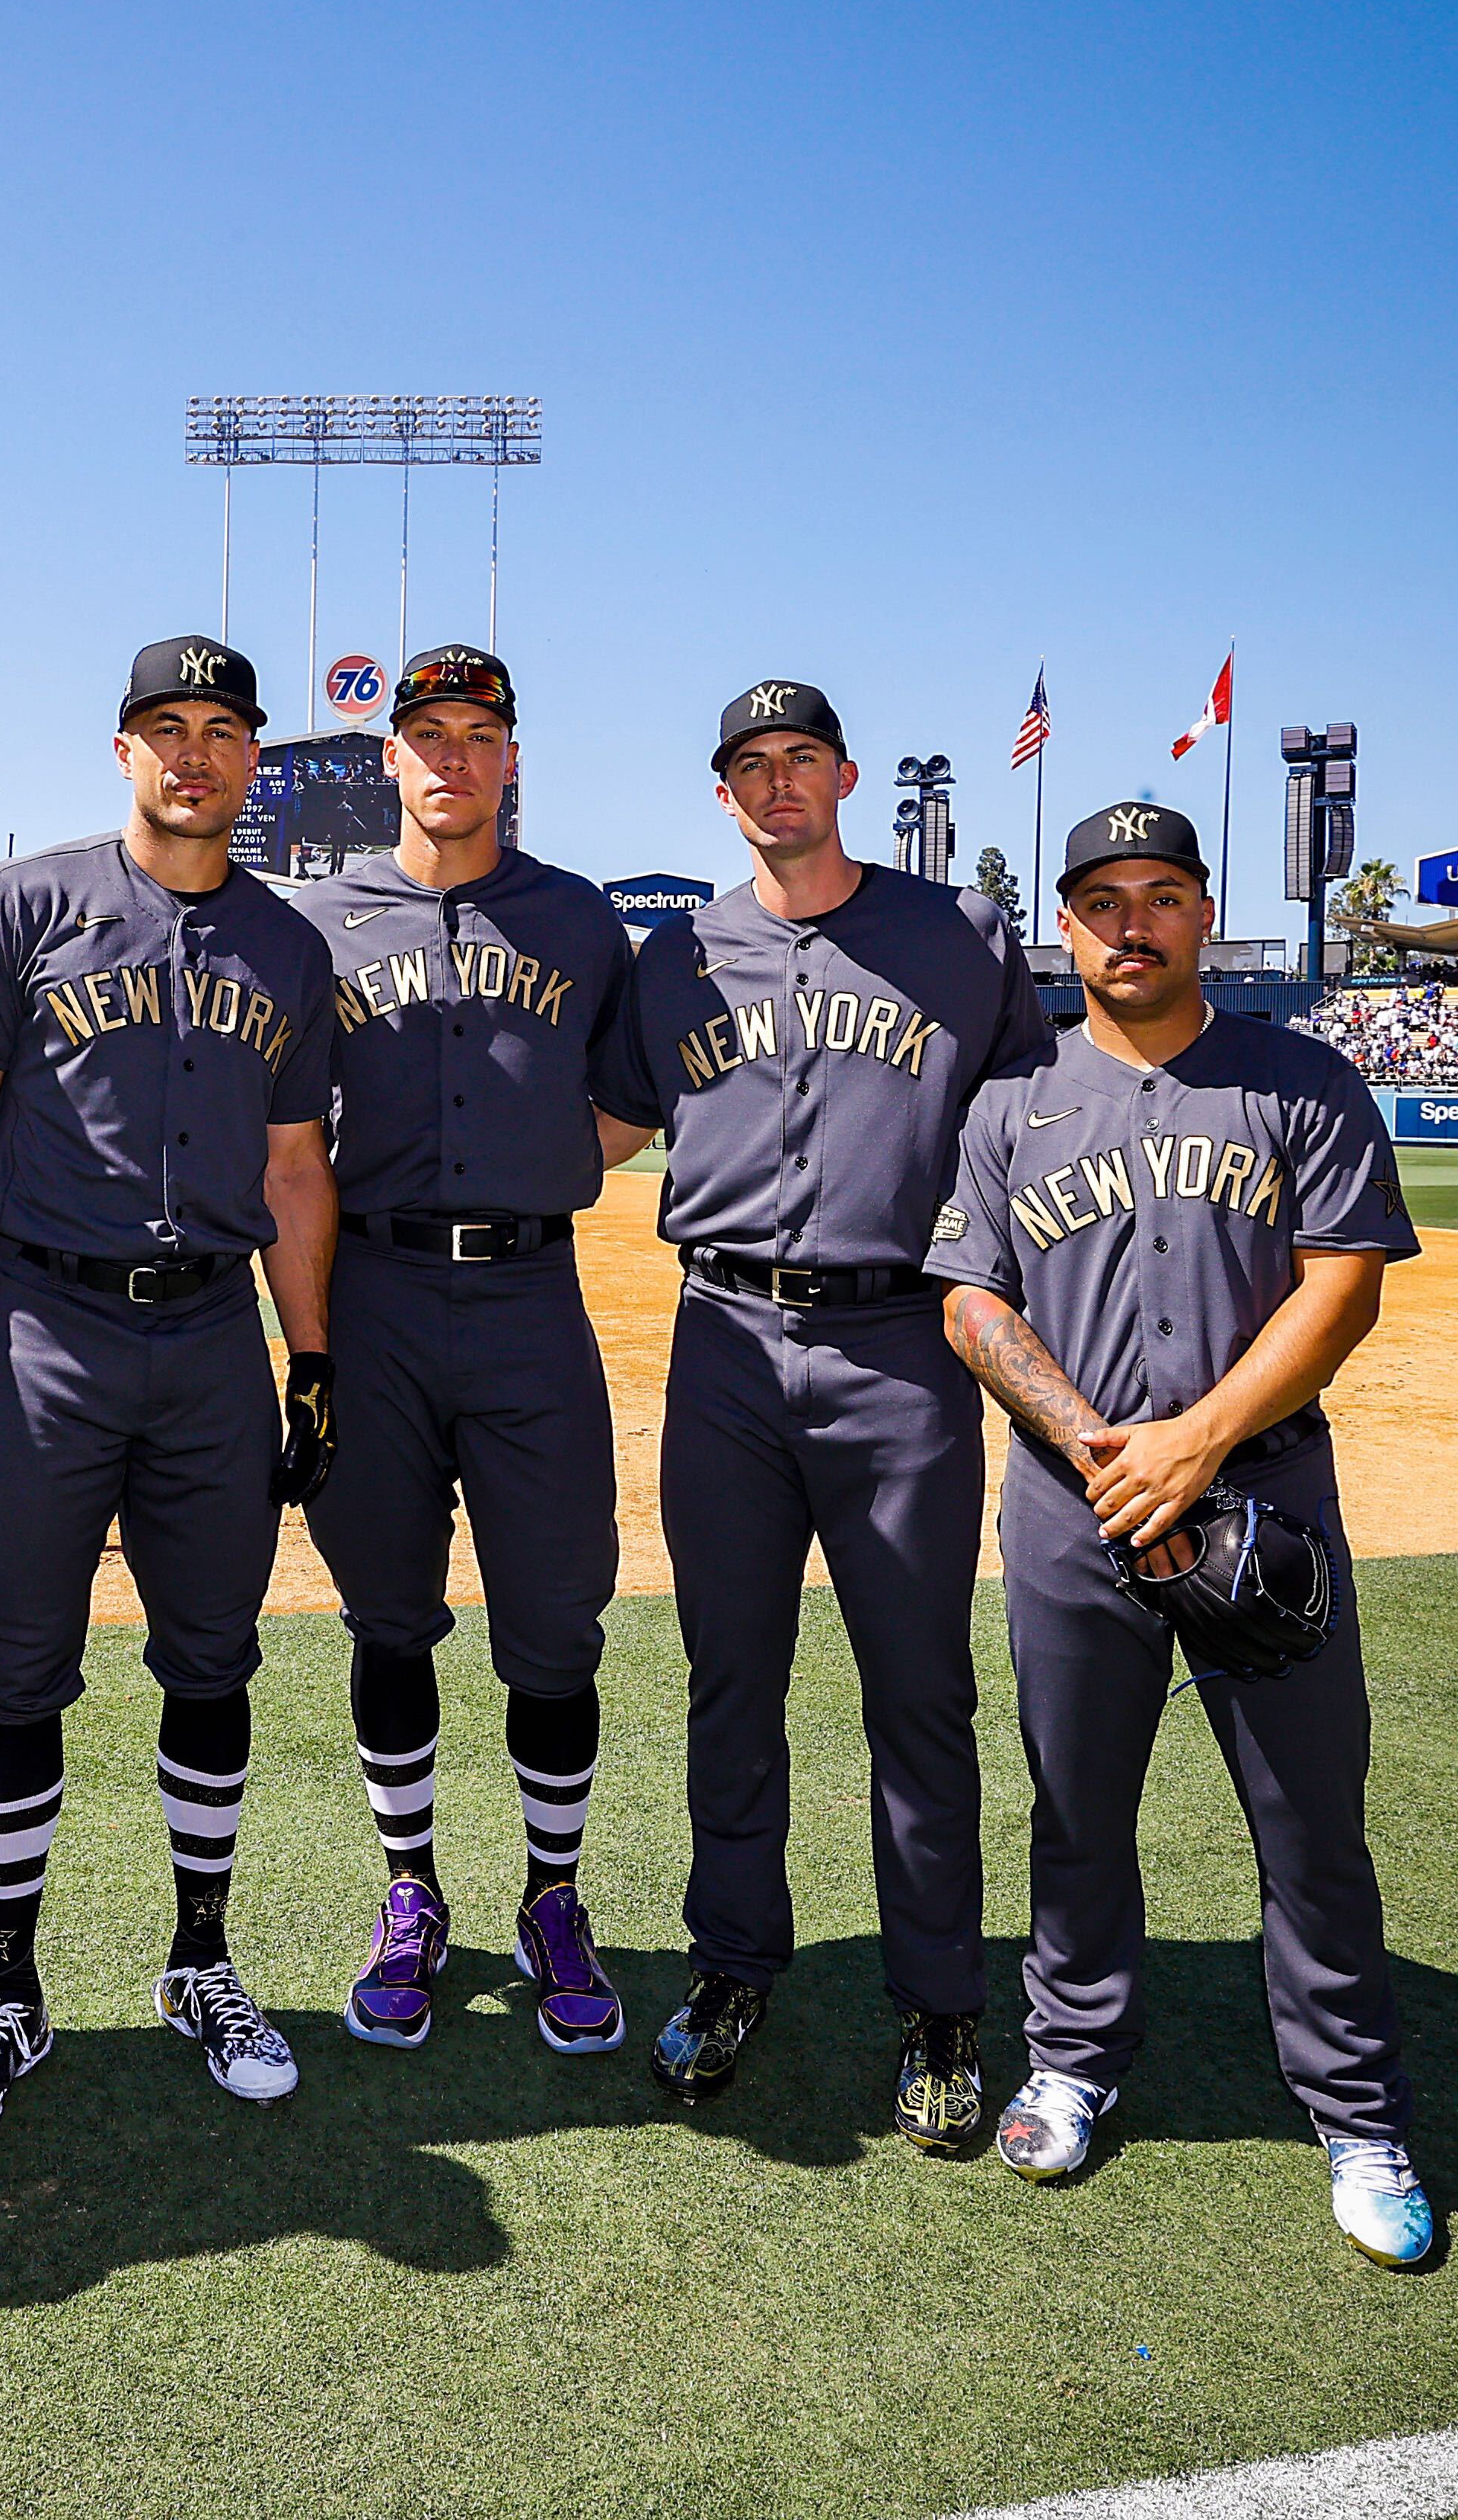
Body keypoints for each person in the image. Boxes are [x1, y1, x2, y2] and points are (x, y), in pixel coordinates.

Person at [926, 803, 1431, 2263]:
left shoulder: (1303, 1080)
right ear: (1065, 928)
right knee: (1076, 1814)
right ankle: (1073, 2059)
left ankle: (1355, 2110)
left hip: (1262, 1497)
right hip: (1075, 1506)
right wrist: (1098, 1447)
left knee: (1311, 1821)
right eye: (1100, 902)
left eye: (1159, 895)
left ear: (1203, 913)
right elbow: (972, 1299)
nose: (1129, 923)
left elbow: (1344, 1287)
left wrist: (1193, 1444)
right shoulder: (1012, 1103)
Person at [0, 634, 337, 2153]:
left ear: (253, 761)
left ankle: (200, 1963)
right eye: (167, 729)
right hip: (49, 1338)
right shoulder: (26, 902)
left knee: (211, 1666)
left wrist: (316, 1357)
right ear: (122, 750)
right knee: (18, 1672)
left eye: (222, 731)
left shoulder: (288, 944)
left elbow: (293, 1169)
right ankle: (7, 1993)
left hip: (212, 1341)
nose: (194, 755)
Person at [592, 679, 1048, 2147]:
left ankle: (941, 2005)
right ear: (720, 794)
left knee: (919, 1693)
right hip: (721, 1342)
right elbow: (594, 1124)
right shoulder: (677, 958)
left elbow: (1032, 1121)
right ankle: (733, 1968)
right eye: (751, 766)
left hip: (900, 1349)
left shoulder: (958, 935)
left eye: (801, 759)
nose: (779, 783)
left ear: (846, 774)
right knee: (731, 1683)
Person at [286, 645, 634, 2055]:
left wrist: (535, 1171)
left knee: (554, 1622)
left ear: (511, 760)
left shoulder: (582, 922)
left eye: (474, 734)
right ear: (390, 760)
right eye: (422, 734)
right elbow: (282, 1137)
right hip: (370, 1302)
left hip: (529, 1301)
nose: (447, 757)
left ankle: (555, 1896)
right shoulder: (316, 925)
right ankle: (412, 1889)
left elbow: (623, 1108)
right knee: (388, 1614)